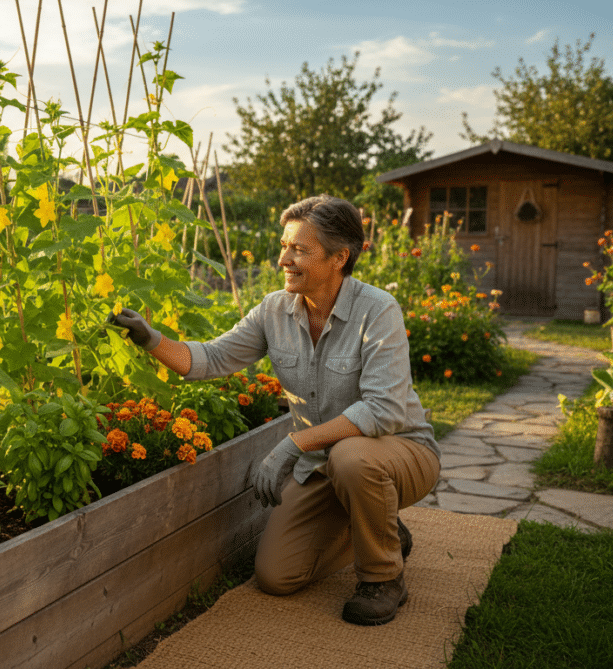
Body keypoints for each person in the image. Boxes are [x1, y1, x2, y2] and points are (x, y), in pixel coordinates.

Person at [110, 194, 440, 626]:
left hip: (397, 452)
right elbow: (211, 358)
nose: (284, 258)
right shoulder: (274, 310)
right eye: (284, 246)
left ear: (339, 257)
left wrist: (293, 443)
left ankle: (382, 577)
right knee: (276, 575)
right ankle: (379, 526)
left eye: (299, 249)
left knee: (351, 456)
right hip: (323, 465)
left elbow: (383, 411)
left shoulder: (377, 310)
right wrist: (150, 339)